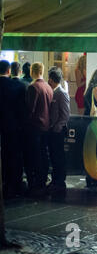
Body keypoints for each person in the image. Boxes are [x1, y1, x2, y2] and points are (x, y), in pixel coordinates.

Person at [24, 62, 54, 197]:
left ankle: (35, 183)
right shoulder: (48, 87)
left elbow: (30, 109)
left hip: (35, 127)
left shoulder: (33, 87)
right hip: (46, 127)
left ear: (32, 71)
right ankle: (42, 180)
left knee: (34, 156)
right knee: (43, 154)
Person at [0, 60, 27, 199]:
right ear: (9, 70)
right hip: (14, 128)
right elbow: (23, 111)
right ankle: (14, 184)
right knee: (14, 156)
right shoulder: (18, 86)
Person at [47, 67, 70, 195]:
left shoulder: (62, 93)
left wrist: (56, 127)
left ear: (51, 79)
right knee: (54, 157)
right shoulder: (53, 92)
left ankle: (60, 182)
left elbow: (65, 115)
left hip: (58, 132)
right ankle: (55, 180)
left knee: (58, 157)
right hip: (52, 131)